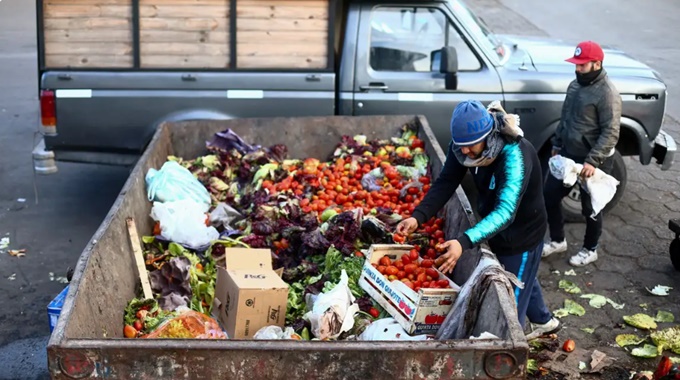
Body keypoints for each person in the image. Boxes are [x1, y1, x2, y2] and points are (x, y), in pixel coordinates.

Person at [396, 100, 559, 338]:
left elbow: (505, 213)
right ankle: (544, 321)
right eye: (460, 146)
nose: (464, 152)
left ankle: (510, 348)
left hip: (520, 235)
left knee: (508, 306)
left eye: (470, 147)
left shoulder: (515, 156)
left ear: (488, 135)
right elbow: (447, 181)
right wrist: (418, 217)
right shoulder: (464, 145)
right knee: (522, 276)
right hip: (493, 226)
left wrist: (462, 243)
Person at [542, 41, 622, 266]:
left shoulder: (607, 93)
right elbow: (565, 118)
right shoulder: (574, 86)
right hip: (568, 154)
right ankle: (558, 240)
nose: (577, 69)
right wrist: (557, 144)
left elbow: (611, 132)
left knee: (591, 208)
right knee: (549, 196)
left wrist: (592, 161)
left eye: (582, 65)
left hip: (594, 161)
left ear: (597, 64)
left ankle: (590, 248)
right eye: (576, 64)